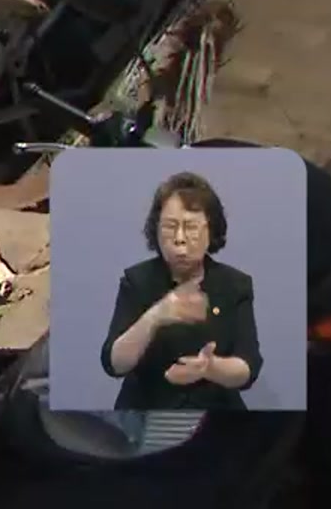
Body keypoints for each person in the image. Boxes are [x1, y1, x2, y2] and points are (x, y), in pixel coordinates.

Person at [100, 171, 262, 410]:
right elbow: (114, 364)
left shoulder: (234, 285)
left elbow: (248, 368)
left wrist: (210, 368)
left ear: (212, 231)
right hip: (146, 410)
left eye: (191, 227)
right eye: (170, 227)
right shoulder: (138, 282)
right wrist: (155, 316)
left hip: (213, 409)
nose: (179, 239)